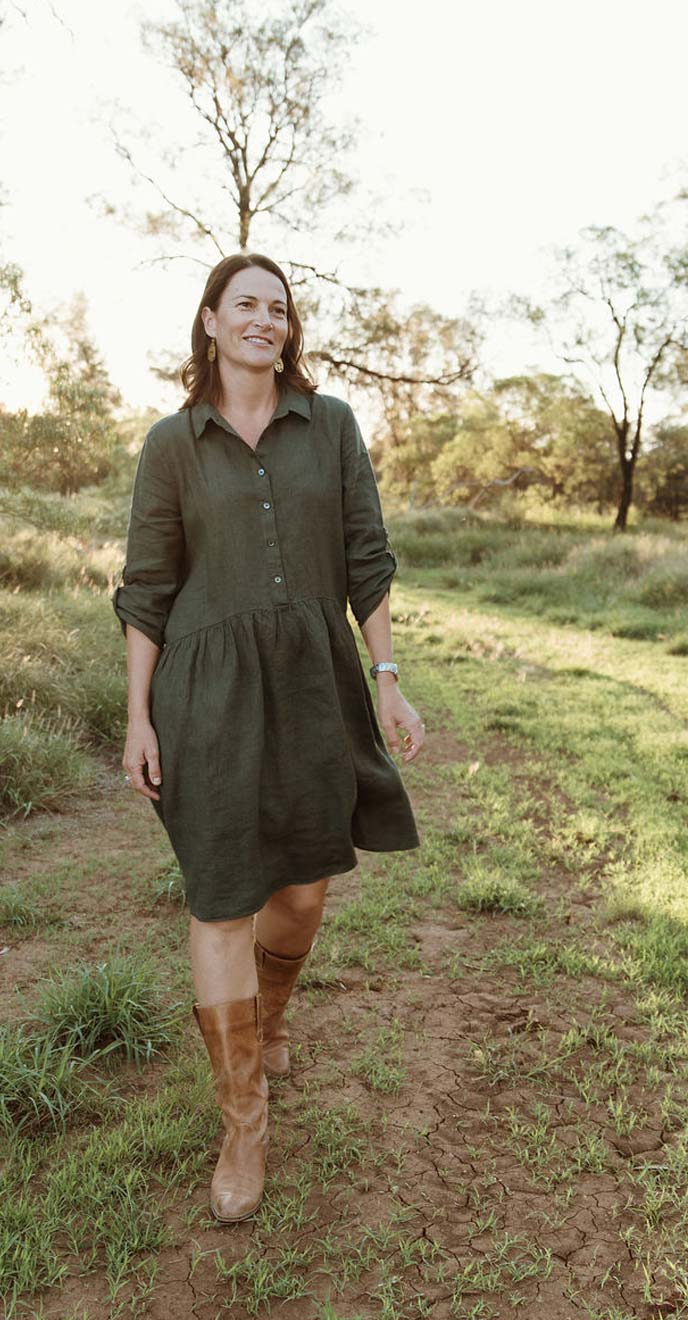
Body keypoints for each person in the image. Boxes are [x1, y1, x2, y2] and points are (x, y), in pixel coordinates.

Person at [114, 253, 424, 1224]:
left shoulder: (328, 426)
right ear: (208, 323)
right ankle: (243, 1121)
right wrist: (136, 717)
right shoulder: (172, 443)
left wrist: (387, 679)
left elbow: (366, 555)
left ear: (289, 330)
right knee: (220, 899)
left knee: (302, 888)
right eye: (244, 304)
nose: (263, 319)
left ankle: (272, 1013)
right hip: (202, 693)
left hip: (311, 682)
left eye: (278, 308)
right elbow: (147, 588)